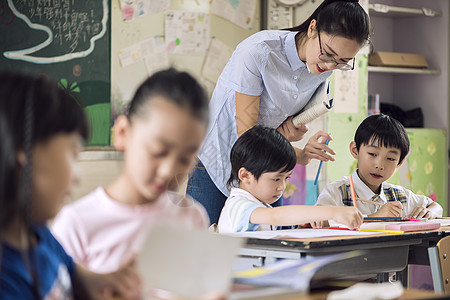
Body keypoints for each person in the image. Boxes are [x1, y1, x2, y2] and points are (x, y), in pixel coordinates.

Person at [187, 0, 371, 224]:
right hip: (218, 158)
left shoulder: (322, 66)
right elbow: (248, 137)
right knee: (203, 243)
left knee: (274, 240)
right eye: (328, 54)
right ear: (312, 28)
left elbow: (277, 131)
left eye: (343, 62)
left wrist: (296, 146)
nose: (331, 66)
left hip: (267, 167)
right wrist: (290, 143)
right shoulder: (258, 52)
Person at [52, 68, 210, 274]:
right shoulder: (76, 225)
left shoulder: (192, 217)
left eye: (185, 158)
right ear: (122, 132)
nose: (168, 171)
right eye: (158, 152)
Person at [0, 70, 140, 299]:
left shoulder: (36, 230)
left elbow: (72, 273)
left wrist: (106, 280)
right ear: (25, 151)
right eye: (74, 153)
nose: (77, 177)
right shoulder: (6, 279)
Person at [217, 126, 363, 233]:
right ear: (245, 175)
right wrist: (333, 212)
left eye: (286, 178)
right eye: (276, 179)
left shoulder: (261, 206)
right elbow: (275, 216)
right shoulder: (237, 206)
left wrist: (300, 226)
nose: (282, 186)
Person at [316, 114, 443, 220]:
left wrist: (430, 213)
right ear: (355, 150)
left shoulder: (399, 196)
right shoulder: (336, 193)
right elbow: (317, 224)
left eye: (390, 159)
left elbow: (436, 207)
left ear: (400, 161)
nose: (380, 165)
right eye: (372, 154)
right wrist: (375, 217)